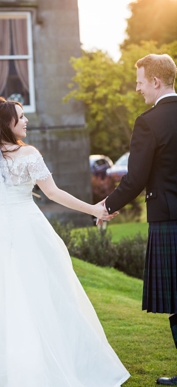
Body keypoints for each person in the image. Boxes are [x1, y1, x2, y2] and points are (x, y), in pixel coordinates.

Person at [0, 97, 130, 386]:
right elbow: (53, 194)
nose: (26, 120)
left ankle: (9, 362)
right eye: (21, 117)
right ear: (8, 124)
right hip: (26, 227)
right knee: (40, 294)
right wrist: (94, 209)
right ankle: (36, 363)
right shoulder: (28, 154)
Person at [103, 53, 177, 385]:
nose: (137, 88)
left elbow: (135, 179)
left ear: (156, 82)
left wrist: (106, 205)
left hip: (168, 219)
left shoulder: (148, 122)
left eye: (140, 81)